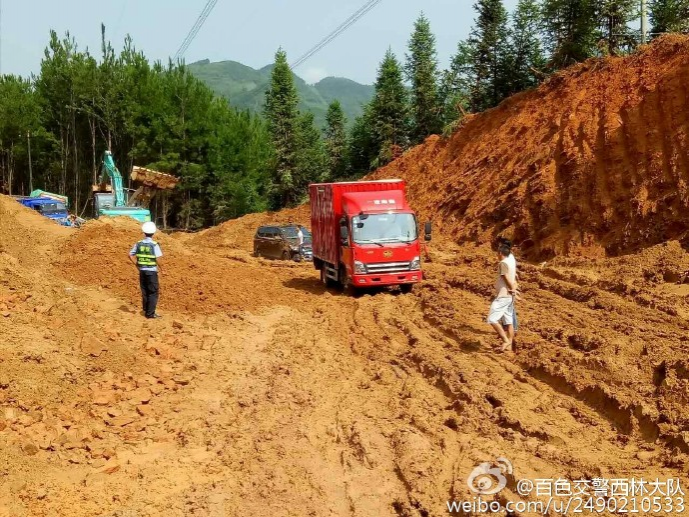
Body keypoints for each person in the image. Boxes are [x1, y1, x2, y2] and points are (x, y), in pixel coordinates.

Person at [487, 243, 518, 352]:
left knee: (492, 319)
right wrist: (514, 288)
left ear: (500, 253)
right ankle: (509, 347)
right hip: (509, 297)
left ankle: (505, 340)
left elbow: (504, 277)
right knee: (509, 321)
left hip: (503, 296)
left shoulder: (503, 264)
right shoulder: (511, 260)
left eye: (497, 253)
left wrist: (512, 287)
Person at [129, 221, 163, 319]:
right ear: (153, 233)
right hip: (151, 272)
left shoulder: (138, 244)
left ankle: (146, 310)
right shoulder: (154, 244)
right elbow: (158, 259)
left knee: (145, 291)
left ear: (144, 232)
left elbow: (130, 255)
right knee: (153, 292)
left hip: (142, 271)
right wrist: (163, 270)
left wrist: (137, 265)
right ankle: (150, 314)